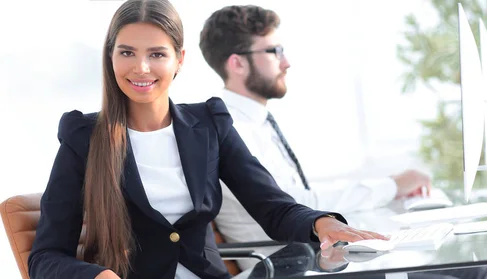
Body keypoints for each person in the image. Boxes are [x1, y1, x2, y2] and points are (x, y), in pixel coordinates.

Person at [26, 1, 388, 279]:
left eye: (156, 54)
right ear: (110, 57)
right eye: (127, 53)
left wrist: (324, 223)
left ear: (179, 60)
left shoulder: (209, 124)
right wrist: (98, 275)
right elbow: (45, 257)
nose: (141, 68)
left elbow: (271, 206)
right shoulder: (83, 138)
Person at [199, 5, 487, 279]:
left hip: (320, 256)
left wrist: (393, 192)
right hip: (294, 266)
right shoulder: (232, 129)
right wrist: (392, 186)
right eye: (274, 51)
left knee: (474, 266)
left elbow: (303, 197)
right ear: (237, 63)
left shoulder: (258, 122)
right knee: (474, 272)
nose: (287, 62)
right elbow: (296, 206)